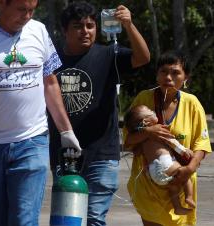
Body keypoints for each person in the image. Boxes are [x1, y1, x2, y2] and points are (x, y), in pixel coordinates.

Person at [0, 0, 81, 226]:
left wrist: (66, 130)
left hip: (32, 142)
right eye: (21, 9)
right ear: (1, 4)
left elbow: (50, 83)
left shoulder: (39, 31)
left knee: (23, 221)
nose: (27, 16)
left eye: (31, 10)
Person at [47, 1, 150, 225]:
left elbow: (143, 58)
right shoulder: (50, 59)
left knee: (94, 218)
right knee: (69, 218)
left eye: (90, 25)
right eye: (77, 26)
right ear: (65, 31)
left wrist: (129, 25)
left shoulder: (108, 54)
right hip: (65, 155)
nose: (85, 31)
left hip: (102, 155)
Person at [124, 51, 212, 226]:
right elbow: (128, 141)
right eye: (163, 71)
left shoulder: (192, 103)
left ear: (186, 77)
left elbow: (201, 144)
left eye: (175, 72)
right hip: (148, 185)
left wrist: (189, 170)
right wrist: (149, 132)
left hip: (181, 180)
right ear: (157, 75)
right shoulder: (143, 99)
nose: (168, 77)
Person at [124, 104, 195, 215]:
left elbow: (137, 152)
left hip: (153, 173)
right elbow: (171, 141)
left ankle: (177, 207)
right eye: (150, 112)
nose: (153, 111)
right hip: (164, 163)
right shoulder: (158, 131)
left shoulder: (141, 139)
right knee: (185, 174)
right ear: (146, 123)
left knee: (173, 186)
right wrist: (183, 150)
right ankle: (189, 197)